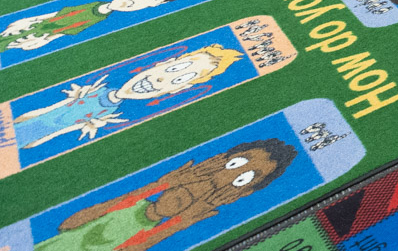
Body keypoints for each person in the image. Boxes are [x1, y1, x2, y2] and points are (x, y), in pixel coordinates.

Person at [34, 138, 297, 251]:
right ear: (219, 161)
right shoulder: (135, 203)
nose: (216, 181)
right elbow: (70, 222)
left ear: (241, 192)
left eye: (242, 179)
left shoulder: (146, 233)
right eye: (235, 164)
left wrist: (178, 222)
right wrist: (161, 185)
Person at [12, 43, 247, 150]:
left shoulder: (109, 115)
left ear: (174, 91)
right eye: (172, 70)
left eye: (177, 80)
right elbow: (41, 112)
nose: (160, 79)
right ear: (163, 62)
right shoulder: (98, 88)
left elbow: (55, 131)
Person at [1, 0, 201, 52]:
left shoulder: (100, 18)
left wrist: (44, 40)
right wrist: (30, 21)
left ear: (156, 5)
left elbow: (67, 30)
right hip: (29, 29)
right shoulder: (94, 6)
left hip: (33, 36)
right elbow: (59, 14)